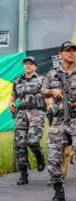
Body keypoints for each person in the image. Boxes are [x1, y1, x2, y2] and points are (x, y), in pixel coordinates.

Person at [42, 41, 76, 201]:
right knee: (52, 156)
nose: (72, 53)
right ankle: (59, 193)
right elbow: (43, 90)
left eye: (74, 51)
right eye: (68, 51)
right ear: (61, 54)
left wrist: (75, 104)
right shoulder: (52, 74)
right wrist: (52, 91)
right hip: (59, 120)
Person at [9, 56, 46, 185]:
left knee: (33, 140)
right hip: (21, 115)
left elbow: (47, 96)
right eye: (26, 64)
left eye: (30, 64)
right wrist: (11, 103)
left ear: (35, 67)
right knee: (20, 144)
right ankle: (23, 174)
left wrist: (50, 106)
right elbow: (13, 97)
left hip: (37, 113)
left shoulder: (42, 80)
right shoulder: (17, 81)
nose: (28, 65)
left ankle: (39, 156)